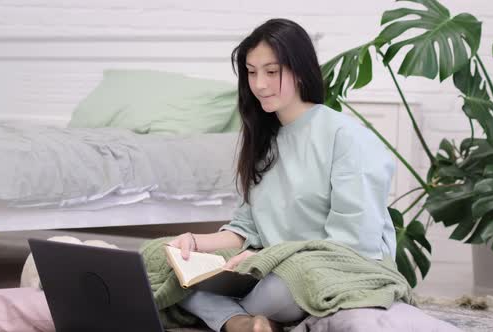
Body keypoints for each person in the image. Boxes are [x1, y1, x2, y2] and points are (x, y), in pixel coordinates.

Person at [168, 18, 397, 332]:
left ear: (300, 70)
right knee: (168, 271)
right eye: (251, 72)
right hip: (271, 270)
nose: (260, 84)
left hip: (336, 270)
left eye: (272, 72)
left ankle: (235, 321)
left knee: (285, 284)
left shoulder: (346, 137)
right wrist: (193, 243)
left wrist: (265, 259)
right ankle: (253, 324)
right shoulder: (264, 142)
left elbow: (352, 243)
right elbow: (246, 229)